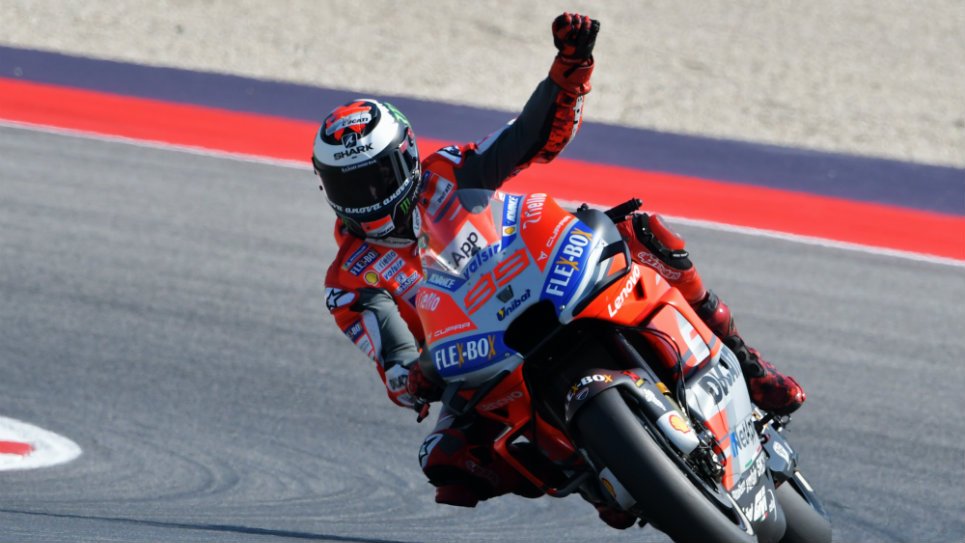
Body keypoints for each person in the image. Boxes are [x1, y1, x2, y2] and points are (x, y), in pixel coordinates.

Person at [315, 12, 805, 530]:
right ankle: (597, 473)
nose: (367, 197)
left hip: (543, 287)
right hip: (474, 359)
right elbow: (394, 363)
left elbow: (531, 136)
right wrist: (413, 377)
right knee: (448, 460)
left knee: (642, 233)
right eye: (349, 186)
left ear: (407, 158)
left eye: (377, 177)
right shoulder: (350, 280)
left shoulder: (452, 170)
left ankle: (746, 363)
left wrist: (570, 66)